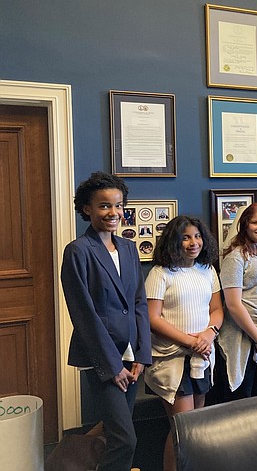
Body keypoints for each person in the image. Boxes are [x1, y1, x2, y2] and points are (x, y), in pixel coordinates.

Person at [60, 171, 151, 471]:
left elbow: (138, 303)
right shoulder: (78, 252)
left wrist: (141, 354)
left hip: (130, 356)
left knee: (115, 436)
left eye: (118, 205)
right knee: (125, 440)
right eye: (104, 206)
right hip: (103, 359)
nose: (113, 213)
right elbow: (84, 314)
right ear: (87, 208)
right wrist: (113, 367)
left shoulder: (127, 248)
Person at [143, 215, 223, 471]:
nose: (193, 242)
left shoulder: (208, 269)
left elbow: (217, 310)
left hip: (202, 355)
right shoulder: (160, 273)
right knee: (182, 428)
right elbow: (153, 318)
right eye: (185, 237)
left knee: (197, 427)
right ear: (173, 241)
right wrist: (190, 341)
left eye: (197, 236)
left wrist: (208, 334)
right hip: (172, 359)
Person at [218, 203, 257, 399]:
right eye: (255, 222)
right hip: (243, 337)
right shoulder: (235, 258)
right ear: (245, 225)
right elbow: (233, 304)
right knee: (242, 397)